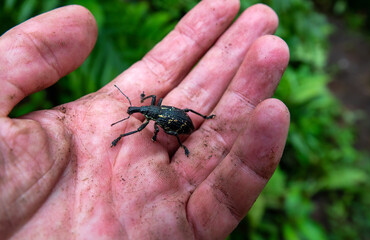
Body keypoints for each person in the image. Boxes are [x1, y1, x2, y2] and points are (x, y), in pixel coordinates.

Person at [0, 0, 290, 239]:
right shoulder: (151, 111)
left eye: (141, 110)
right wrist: (130, 118)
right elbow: (147, 114)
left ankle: (201, 124)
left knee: (177, 124)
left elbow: (166, 123)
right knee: (167, 123)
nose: (142, 112)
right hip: (173, 120)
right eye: (142, 111)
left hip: (182, 125)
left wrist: (178, 142)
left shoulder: (157, 115)